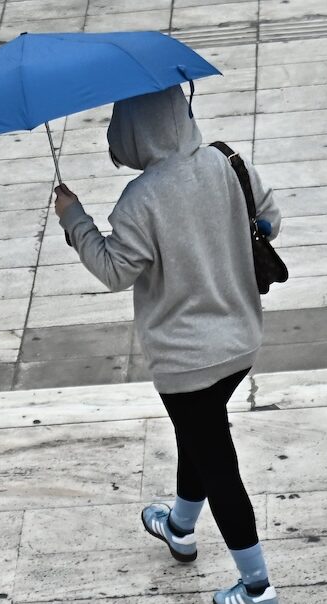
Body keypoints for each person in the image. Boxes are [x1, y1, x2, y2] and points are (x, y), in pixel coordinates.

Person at [53, 86, 282, 604]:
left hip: (185, 359)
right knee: (198, 435)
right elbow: (270, 221)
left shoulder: (141, 199)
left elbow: (114, 271)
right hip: (240, 341)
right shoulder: (227, 162)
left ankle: (256, 586)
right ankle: (179, 527)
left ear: (132, 132)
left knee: (218, 465)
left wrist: (74, 218)